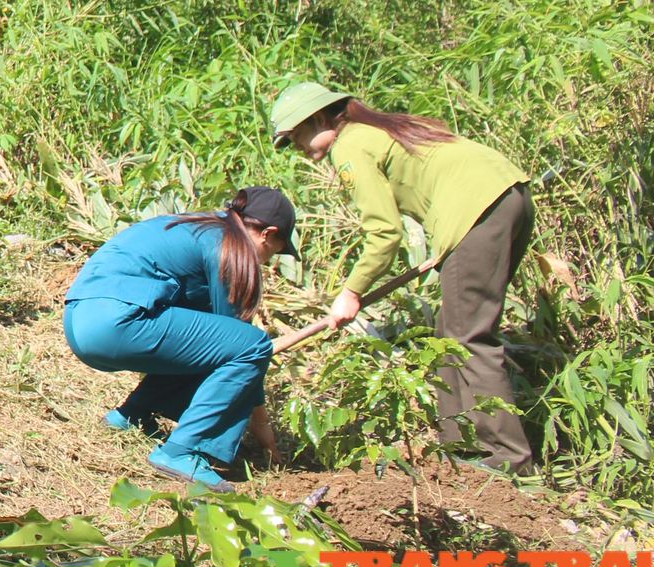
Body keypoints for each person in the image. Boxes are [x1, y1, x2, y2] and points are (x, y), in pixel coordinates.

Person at [271, 82, 534, 474]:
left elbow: (384, 233)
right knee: (452, 331)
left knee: (468, 339)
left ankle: (510, 462)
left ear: (321, 119)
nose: (299, 149)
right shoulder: (382, 128)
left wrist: (351, 292)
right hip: (510, 196)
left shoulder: (349, 146)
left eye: (297, 137)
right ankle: (460, 449)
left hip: (474, 213)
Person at [61, 188, 297, 492]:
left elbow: (217, 339)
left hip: (80, 319)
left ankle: (134, 414)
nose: (268, 261)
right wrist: (262, 424)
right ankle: (182, 451)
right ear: (267, 234)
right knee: (252, 345)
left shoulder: (201, 225)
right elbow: (244, 348)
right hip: (117, 323)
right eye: (275, 250)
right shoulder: (230, 247)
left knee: (210, 333)